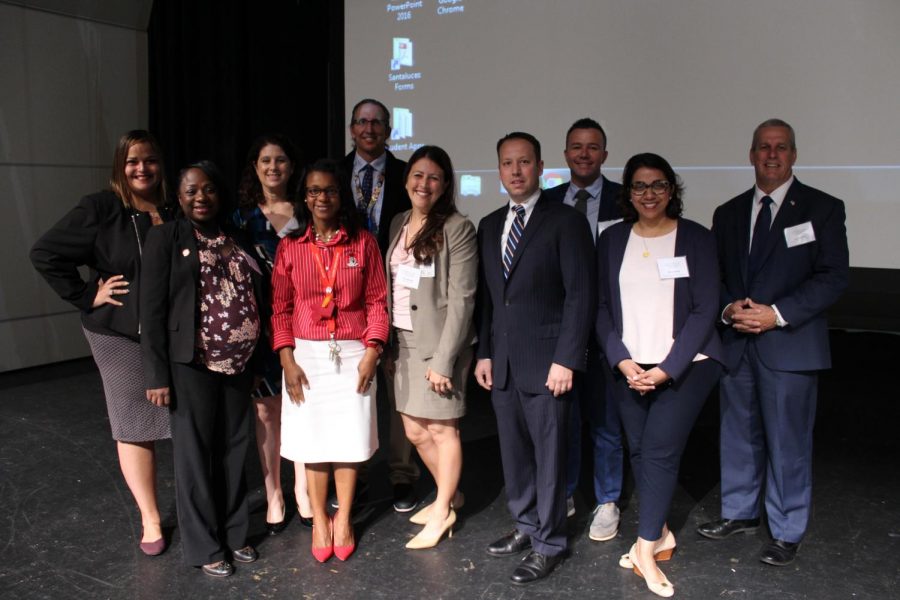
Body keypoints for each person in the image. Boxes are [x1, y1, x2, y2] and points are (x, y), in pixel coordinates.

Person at [698, 119, 849, 566]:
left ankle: (785, 530)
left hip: (791, 343)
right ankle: (740, 512)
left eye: (780, 147)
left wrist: (776, 314)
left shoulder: (822, 208)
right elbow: (716, 276)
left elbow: (834, 277)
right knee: (738, 432)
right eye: (763, 147)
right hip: (738, 341)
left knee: (788, 441)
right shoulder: (727, 213)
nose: (771, 154)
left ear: (794, 155)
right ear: (751, 154)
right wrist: (729, 310)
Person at [30, 129, 173, 556]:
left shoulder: (173, 207)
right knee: (135, 425)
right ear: (119, 167)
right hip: (119, 334)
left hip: (171, 334)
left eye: (149, 159)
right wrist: (85, 293)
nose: (141, 168)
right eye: (132, 161)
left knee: (179, 423)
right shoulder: (102, 207)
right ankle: (150, 518)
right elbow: (45, 252)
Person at [596, 153, 723, 597]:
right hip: (628, 367)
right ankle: (662, 533)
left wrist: (667, 369)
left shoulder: (698, 238)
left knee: (660, 453)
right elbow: (601, 309)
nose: (648, 194)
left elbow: (706, 308)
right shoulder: (612, 240)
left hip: (687, 367)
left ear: (672, 190)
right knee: (639, 452)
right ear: (628, 193)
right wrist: (622, 361)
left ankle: (646, 548)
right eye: (639, 186)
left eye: (658, 185)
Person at [475, 132, 595, 585]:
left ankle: (549, 542)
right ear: (499, 170)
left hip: (549, 365)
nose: (517, 171)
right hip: (503, 363)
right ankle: (526, 525)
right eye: (508, 163)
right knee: (515, 455)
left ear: (541, 166)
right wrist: (484, 353)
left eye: (525, 162)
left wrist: (567, 358)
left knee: (550, 458)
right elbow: (490, 300)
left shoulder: (565, 221)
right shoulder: (489, 225)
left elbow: (580, 295)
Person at [141, 161, 264, 578]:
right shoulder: (165, 238)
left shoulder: (237, 235)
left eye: (209, 189)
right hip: (190, 364)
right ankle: (204, 544)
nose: (201, 197)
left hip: (239, 364)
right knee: (195, 454)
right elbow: (152, 309)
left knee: (233, 450)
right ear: (178, 196)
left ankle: (234, 533)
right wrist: (156, 375)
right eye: (191, 190)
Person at [271, 159, 388, 563]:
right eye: (314, 191)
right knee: (314, 442)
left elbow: (377, 301)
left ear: (342, 196)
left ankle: (344, 518)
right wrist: (287, 360)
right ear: (304, 197)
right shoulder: (291, 246)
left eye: (330, 190)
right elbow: (280, 308)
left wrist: (373, 351)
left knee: (349, 441)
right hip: (306, 357)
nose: (322, 198)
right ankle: (320, 519)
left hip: (354, 353)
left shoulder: (363, 243)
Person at [383, 145, 478, 549]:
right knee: (413, 430)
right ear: (406, 181)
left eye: (434, 177)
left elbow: (463, 298)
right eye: (418, 175)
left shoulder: (457, 227)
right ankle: (450, 494)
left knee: (441, 429)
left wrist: (443, 360)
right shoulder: (398, 222)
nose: (425, 184)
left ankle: (442, 511)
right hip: (402, 342)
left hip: (441, 345)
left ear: (445, 184)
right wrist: (387, 344)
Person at [544, 117, 625, 538]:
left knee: (606, 420)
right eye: (576, 146)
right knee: (566, 417)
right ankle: (568, 491)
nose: (584, 154)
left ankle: (608, 499)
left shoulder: (626, 200)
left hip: (612, 325)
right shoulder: (549, 201)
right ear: (565, 154)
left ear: (605, 155)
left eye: (593, 147)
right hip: (561, 327)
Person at [339, 98, 418, 512]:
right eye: (362, 122)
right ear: (352, 129)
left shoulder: (408, 175)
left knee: (399, 390)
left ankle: (402, 473)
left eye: (377, 123)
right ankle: (358, 473)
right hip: (348, 298)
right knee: (356, 388)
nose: (369, 129)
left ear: (388, 130)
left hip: (400, 292)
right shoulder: (333, 173)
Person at [235, 133, 312, 532]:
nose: (273, 167)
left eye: (280, 160)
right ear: (255, 167)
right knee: (267, 411)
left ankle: (302, 488)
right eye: (265, 160)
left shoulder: (309, 210)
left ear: (291, 166)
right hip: (259, 325)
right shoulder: (240, 218)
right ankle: (274, 493)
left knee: (302, 404)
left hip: (308, 323)